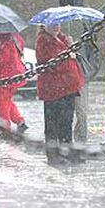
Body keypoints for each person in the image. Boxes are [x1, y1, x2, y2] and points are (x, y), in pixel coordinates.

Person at [35, 24, 84, 165]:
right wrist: (69, 54)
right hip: (53, 89)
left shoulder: (62, 39)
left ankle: (67, 152)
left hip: (68, 88)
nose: (56, 27)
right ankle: (54, 155)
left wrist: (70, 47)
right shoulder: (43, 41)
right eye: (52, 25)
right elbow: (56, 63)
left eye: (58, 24)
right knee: (53, 124)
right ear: (45, 26)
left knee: (66, 123)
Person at [59, 0, 89, 144]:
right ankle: (75, 140)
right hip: (72, 73)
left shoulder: (81, 23)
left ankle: (74, 141)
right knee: (78, 111)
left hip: (77, 72)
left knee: (73, 112)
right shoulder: (57, 26)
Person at [0, 32, 28, 133]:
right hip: (15, 74)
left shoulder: (4, 41)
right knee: (7, 100)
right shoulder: (16, 37)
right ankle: (19, 121)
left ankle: (5, 127)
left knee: (1, 102)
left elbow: (2, 59)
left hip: (5, 77)